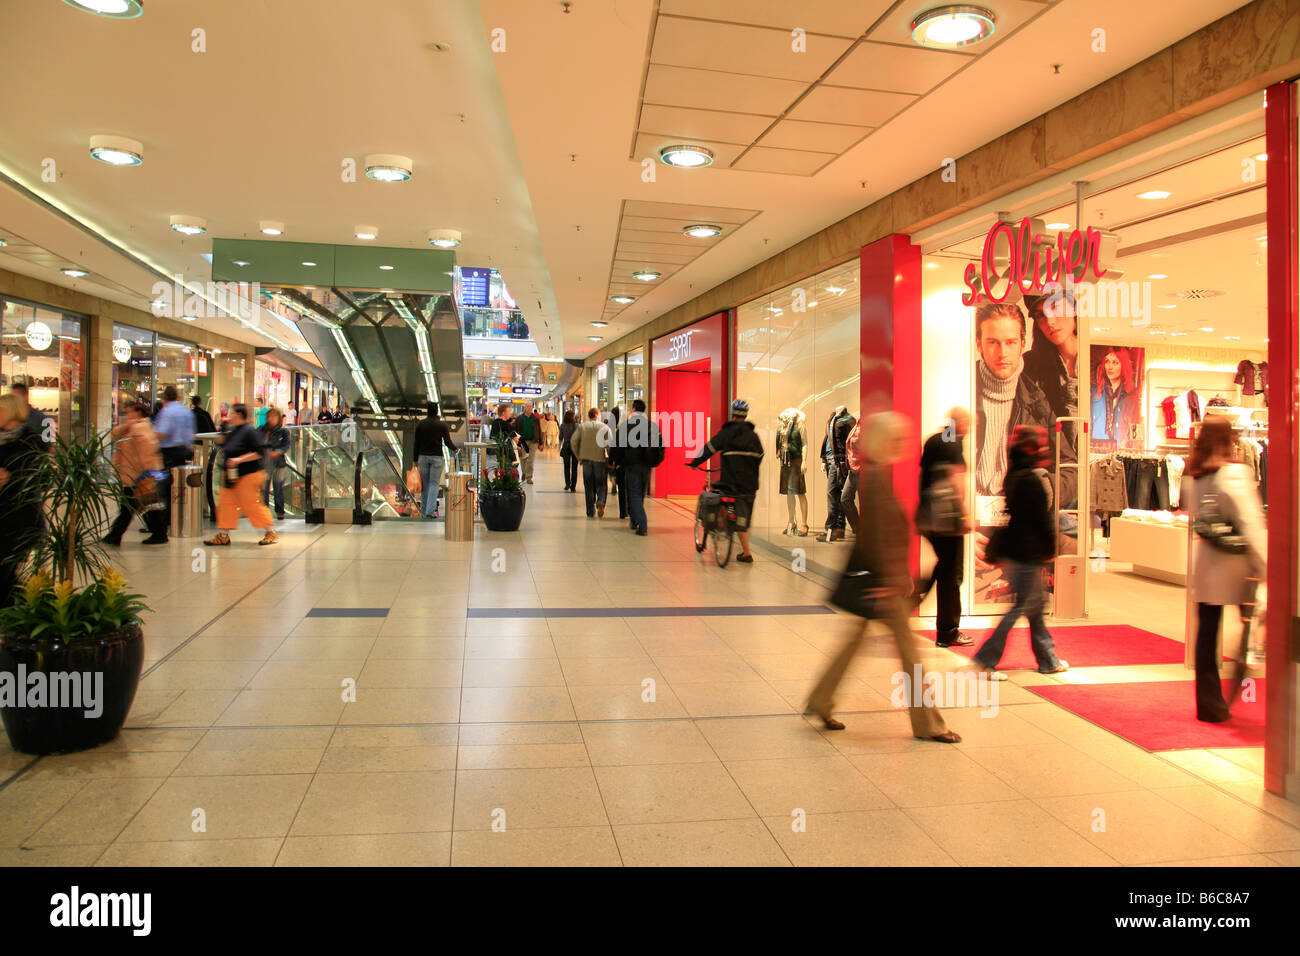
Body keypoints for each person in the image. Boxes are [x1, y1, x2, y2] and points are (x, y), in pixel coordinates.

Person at [805, 412, 961, 742]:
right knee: (909, 654)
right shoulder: (875, 478)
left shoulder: (876, 473)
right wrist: (892, 579)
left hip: (880, 580)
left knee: (854, 645)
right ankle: (928, 724)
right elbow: (875, 535)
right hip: (882, 584)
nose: (901, 446)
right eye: (896, 440)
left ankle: (820, 700)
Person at [1184, 417, 1266, 722]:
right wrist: (1267, 565)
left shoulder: (1194, 472)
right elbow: (1251, 523)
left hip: (1206, 567)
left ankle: (1209, 704)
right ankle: (1243, 692)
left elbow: (1196, 516)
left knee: (1207, 635)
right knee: (1250, 630)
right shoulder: (1235, 473)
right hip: (1238, 568)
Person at [971, 425, 1069, 677]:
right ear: (1031, 448)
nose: (1044, 449)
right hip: (1028, 552)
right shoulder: (1030, 480)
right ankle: (986, 659)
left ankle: (1048, 659)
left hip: (1018, 551)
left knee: (1034, 607)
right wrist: (1050, 548)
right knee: (1022, 607)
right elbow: (1041, 519)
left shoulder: (1014, 475)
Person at [974, 302, 1052, 497]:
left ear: (1022, 343)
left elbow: (1069, 467)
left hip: (1015, 511)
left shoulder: (1038, 400)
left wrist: (1047, 488)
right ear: (979, 344)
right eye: (993, 342)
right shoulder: (961, 389)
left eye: (1010, 342)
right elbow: (946, 440)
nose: (1002, 353)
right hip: (971, 512)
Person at [915, 408, 972, 647]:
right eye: (968, 424)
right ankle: (948, 630)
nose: (969, 429)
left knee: (944, 568)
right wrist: (964, 515)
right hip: (947, 520)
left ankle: (914, 594)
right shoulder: (953, 443)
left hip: (928, 517)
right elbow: (956, 478)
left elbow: (922, 476)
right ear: (960, 424)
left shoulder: (933, 441)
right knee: (952, 574)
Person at [688, 398, 763, 563]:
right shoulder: (753, 436)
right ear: (745, 415)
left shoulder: (727, 433)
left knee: (716, 497)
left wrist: (695, 462)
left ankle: (721, 529)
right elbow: (760, 456)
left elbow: (710, 448)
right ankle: (746, 552)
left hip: (730, 483)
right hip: (749, 485)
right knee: (743, 517)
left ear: (733, 415)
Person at [204, 403, 277, 547]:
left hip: (249, 475)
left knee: (251, 505)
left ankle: (270, 531)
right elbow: (222, 443)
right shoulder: (234, 431)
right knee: (226, 504)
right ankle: (224, 535)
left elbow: (258, 452)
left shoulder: (249, 431)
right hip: (233, 477)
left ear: (238, 415)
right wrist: (221, 426)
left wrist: (239, 460)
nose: (229, 416)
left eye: (231, 414)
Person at [103, 401, 168, 545]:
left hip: (137, 476)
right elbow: (114, 435)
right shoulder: (132, 427)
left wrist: (149, 473)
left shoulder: (140, 428)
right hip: (131, 475)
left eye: (130, 411)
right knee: (144, 505)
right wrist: (128, 424)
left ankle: (115, 536)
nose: (127, 415)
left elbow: (148, 451)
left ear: (139, 413)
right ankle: (159, 534)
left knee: (130, 508)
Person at [0, 394, 44, 606]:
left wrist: (10, 478)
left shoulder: (31, 441)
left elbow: (40, 477)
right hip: (2, 513)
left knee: (7, 567)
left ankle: (13, 608)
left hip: (19, 515)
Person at [612, 399, 665, 535]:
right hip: (647, 465)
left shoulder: (626, 426)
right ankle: (634, 520)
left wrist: (615, 461)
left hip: (631, 464)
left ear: (634, 409)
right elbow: (660, 445)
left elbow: (617, 446)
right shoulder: (652, 426)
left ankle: (642, 524)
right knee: (640, 493)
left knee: (634, 494)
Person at [154, 384, 195, 533]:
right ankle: (177, 515)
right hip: (183, 452)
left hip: (169, 453)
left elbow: (162, 433)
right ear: (177, 397)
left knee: (163, 487)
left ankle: (164, 520)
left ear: (165, 398)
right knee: (177, 486)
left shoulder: (166, 413)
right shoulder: (186, 412)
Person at [413, 402, 458, 519]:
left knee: (425, 484)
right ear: (437, 411)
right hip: (437, 457)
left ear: (427, 411)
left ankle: (423, 511)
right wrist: (456, 449)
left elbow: (416, 443)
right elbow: (447, 442)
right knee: (434, 483)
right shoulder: (442, 425)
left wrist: (415, 460)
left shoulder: (420, 425)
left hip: (422, 457)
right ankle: (430, 511)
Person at [570, 407, 612, 518]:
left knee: (588, 485)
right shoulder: (605, 427)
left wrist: (578, 456)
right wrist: (609, 458)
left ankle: (590, 511)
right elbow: (610, 445)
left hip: (586, 460)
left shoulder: (582, 427)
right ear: (597, 415)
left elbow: (573, 441)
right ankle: (600, 500)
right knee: (601, 483)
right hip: (600, 459)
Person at [1091, 345, 1137, 442]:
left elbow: (1133, 426)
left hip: (1121, 446)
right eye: (1107, 361)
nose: (1110, 367)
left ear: (1123, 365)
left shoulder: (1129, 396)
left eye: (1115, 363)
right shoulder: (1095, 392)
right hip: (1098, 444)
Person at [259, 406, 290, 521]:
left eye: (274, 416)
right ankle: (264, 513)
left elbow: (286, 445)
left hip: (278, 464)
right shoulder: (262, 430)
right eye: (269, 416)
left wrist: (278, 452)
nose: (271, 418)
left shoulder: (283, 432)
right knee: (264, 488)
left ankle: (280, 512)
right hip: (265, 464)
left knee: (278, 488)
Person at [9, 383, 51, 449]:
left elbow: (48, 445)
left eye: (16, 397)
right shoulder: (8, 417)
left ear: (26, 396)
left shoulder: (41, 418)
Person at [840, 416, 862, 537]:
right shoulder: (856, 425)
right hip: (852, 469)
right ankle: (858, 528)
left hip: (861, 469)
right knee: (845, 499)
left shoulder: (867, 427)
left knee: (865, 503)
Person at [514, 402, 539, 484]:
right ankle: (524, 473)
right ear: (524, 407)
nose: (528, 408)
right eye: (527, 406)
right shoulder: (519, 418)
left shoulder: (535, 419)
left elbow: (539, 430)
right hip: (523, 441)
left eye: (530, 406)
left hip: (533, 441)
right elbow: (514, 429)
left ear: (532, 407)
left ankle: (529, 477)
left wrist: (541, 442)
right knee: (523, 459)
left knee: (531, 460)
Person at [558, 410, 579, 492]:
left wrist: (559, 447)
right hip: (575, 447)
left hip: (566, 446)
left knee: (566, 467)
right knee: (574, 467)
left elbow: (560, 437)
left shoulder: (562, 425)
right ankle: (573, 486)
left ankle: (567, 484)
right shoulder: (576, 425)